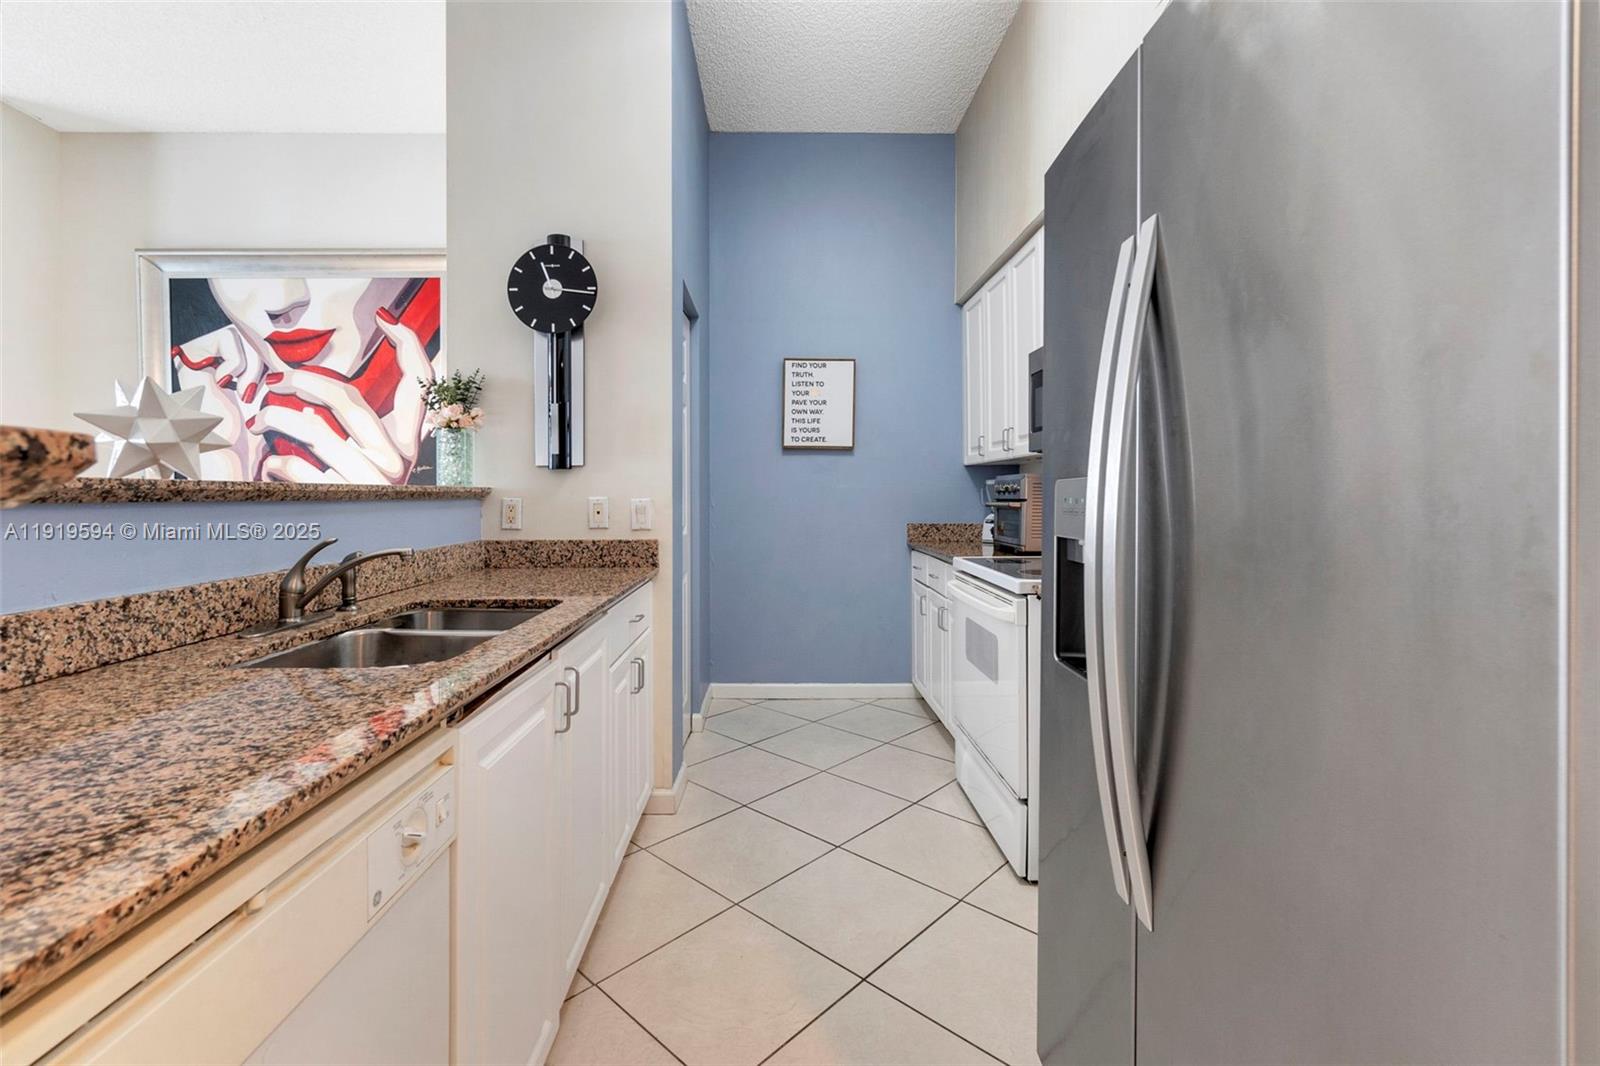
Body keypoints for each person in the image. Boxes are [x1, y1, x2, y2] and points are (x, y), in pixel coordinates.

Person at [169, 276, 440, 483]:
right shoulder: (199, 384)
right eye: (243, 265)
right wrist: (225, 468)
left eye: (335, 254)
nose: (280, 303)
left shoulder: (460, 385)